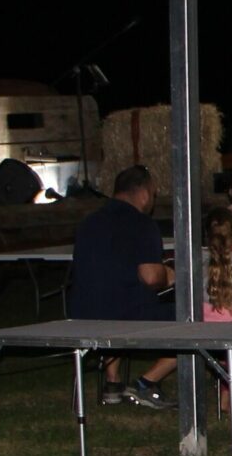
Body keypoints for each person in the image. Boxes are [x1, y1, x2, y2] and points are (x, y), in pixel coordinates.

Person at [70, 165, 174, 408]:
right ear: (145, 193)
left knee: (115, 297)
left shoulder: (88, 223)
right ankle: (146, 384)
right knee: (195, 318)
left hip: (83, 313)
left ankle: (113, 382)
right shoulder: (142, 224)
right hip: (127, 317)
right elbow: (150, 277)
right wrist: (168, 275)